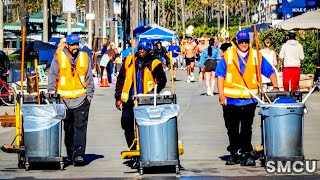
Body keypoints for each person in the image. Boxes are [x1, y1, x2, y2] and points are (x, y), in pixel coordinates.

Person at [215, 30, 279, 166]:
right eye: (241, 41)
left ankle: (245, 152)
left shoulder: (256, 55)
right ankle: (234, 152)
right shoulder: (228, 54)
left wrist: (275, 87)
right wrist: (221, 94)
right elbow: (220, 74)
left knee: (246, 128)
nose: (244, 44)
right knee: (231, 128)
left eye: (246, 41)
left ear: (249, 42)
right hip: (230, 99)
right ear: (237, 42)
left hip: (249, 99)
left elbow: (270, 71)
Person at [115, 39, 167, 167]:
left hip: (145, 101)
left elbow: (162, 80)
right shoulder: (129, 60)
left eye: (144, 49)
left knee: (143, 127)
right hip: (129, 100)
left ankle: (145, 152)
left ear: (149, 50)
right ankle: (133, 151)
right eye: (139, 49)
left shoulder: (155, 63)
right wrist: (118, 97)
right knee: (127, 124)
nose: (141, 51)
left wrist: (152, 91)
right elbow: (121, 79)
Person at [48, 33, 95, 166]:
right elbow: (52, 74)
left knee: (80, 128)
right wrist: (51, 90)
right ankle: (70, 153)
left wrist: (89, 96)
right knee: (68, 129)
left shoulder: (85, 57)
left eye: (76, 44)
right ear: (67, 45)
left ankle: (79, 155)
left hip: (81, 99)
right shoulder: (59, 57)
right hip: (64, 100)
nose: (75, 47)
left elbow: (89, 77)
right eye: (72, 45)